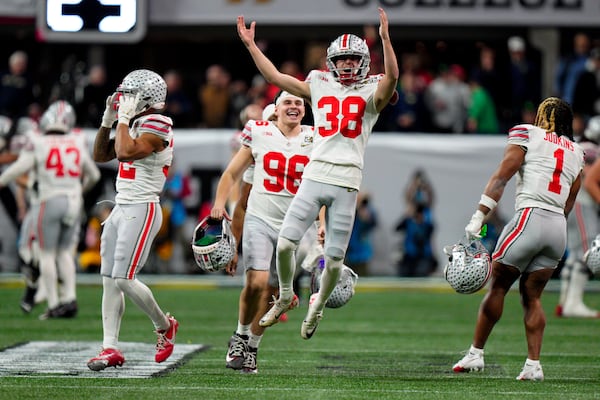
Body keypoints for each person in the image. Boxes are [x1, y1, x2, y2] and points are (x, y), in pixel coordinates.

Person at [237, 7, 399, 339]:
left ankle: (317, 307)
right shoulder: (318, 83)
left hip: (347, 179)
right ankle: (284, 295)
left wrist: (384, 39)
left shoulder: (372, 89)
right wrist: (253, 47)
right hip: (315, 175)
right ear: (332, 62)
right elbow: (276, 79)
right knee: (285, 245)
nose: (347, 65)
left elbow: (393, 78)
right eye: (341, 60)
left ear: (363, 61)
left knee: (335, 261)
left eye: (353, 59)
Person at [452, 97, 584, 381]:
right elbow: (569, 203)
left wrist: (479, 218)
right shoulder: (577, 152)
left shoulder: (528, 133)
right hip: (557, 228)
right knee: (532, 297)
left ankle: (475, 353)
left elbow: (502, 177)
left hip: (530, 217)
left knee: (497, 285)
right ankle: (533, 365)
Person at [208, 92, 314, 374]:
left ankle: (252, 345)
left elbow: (324, 188)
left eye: (298, 103)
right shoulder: (259, 134)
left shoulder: (316, 139)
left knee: (272, 292)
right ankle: (240, 335)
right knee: (256, 282)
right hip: (261, 219)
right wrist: (221, 207)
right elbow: (238, 193)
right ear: (275, 110)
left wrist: (325, 224)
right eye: (287, 103)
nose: (293, 107)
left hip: (295, 227)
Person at [87, 69, 179, 371]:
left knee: (124, 278)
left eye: (130, 93)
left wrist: (123, 120)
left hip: (142, 207)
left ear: (146, 98)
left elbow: (125, 153)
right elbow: (101, 155)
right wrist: (107, 121)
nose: (124, 98)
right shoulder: (135, 122)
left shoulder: (158, 122)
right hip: (120, 207)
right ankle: (110, 347)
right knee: (109, 280)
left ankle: (164, 325)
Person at [0, 100, 101, 319]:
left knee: (46, 254)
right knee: (65, 253)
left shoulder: (39, 141)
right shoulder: (76, 140)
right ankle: (70, 299)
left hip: (49, 199)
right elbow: (94, 175)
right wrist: (78, 190)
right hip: (73, 201)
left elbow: (19, 168)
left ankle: (54, 302)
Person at [556, 140, 600, 318]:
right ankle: (573, 304)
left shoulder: (577, 145)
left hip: (573, 203)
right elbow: (589, 178)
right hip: (583, 203)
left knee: (575, 253)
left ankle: (565, 301)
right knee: (586, 249)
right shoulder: (590, 149)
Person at [344, 191, 377, 277]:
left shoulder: (369, 211)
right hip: (348, 251)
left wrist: (366, 218)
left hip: (362, 253)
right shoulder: (349, 210)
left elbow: (373, 223)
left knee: (362, 278)